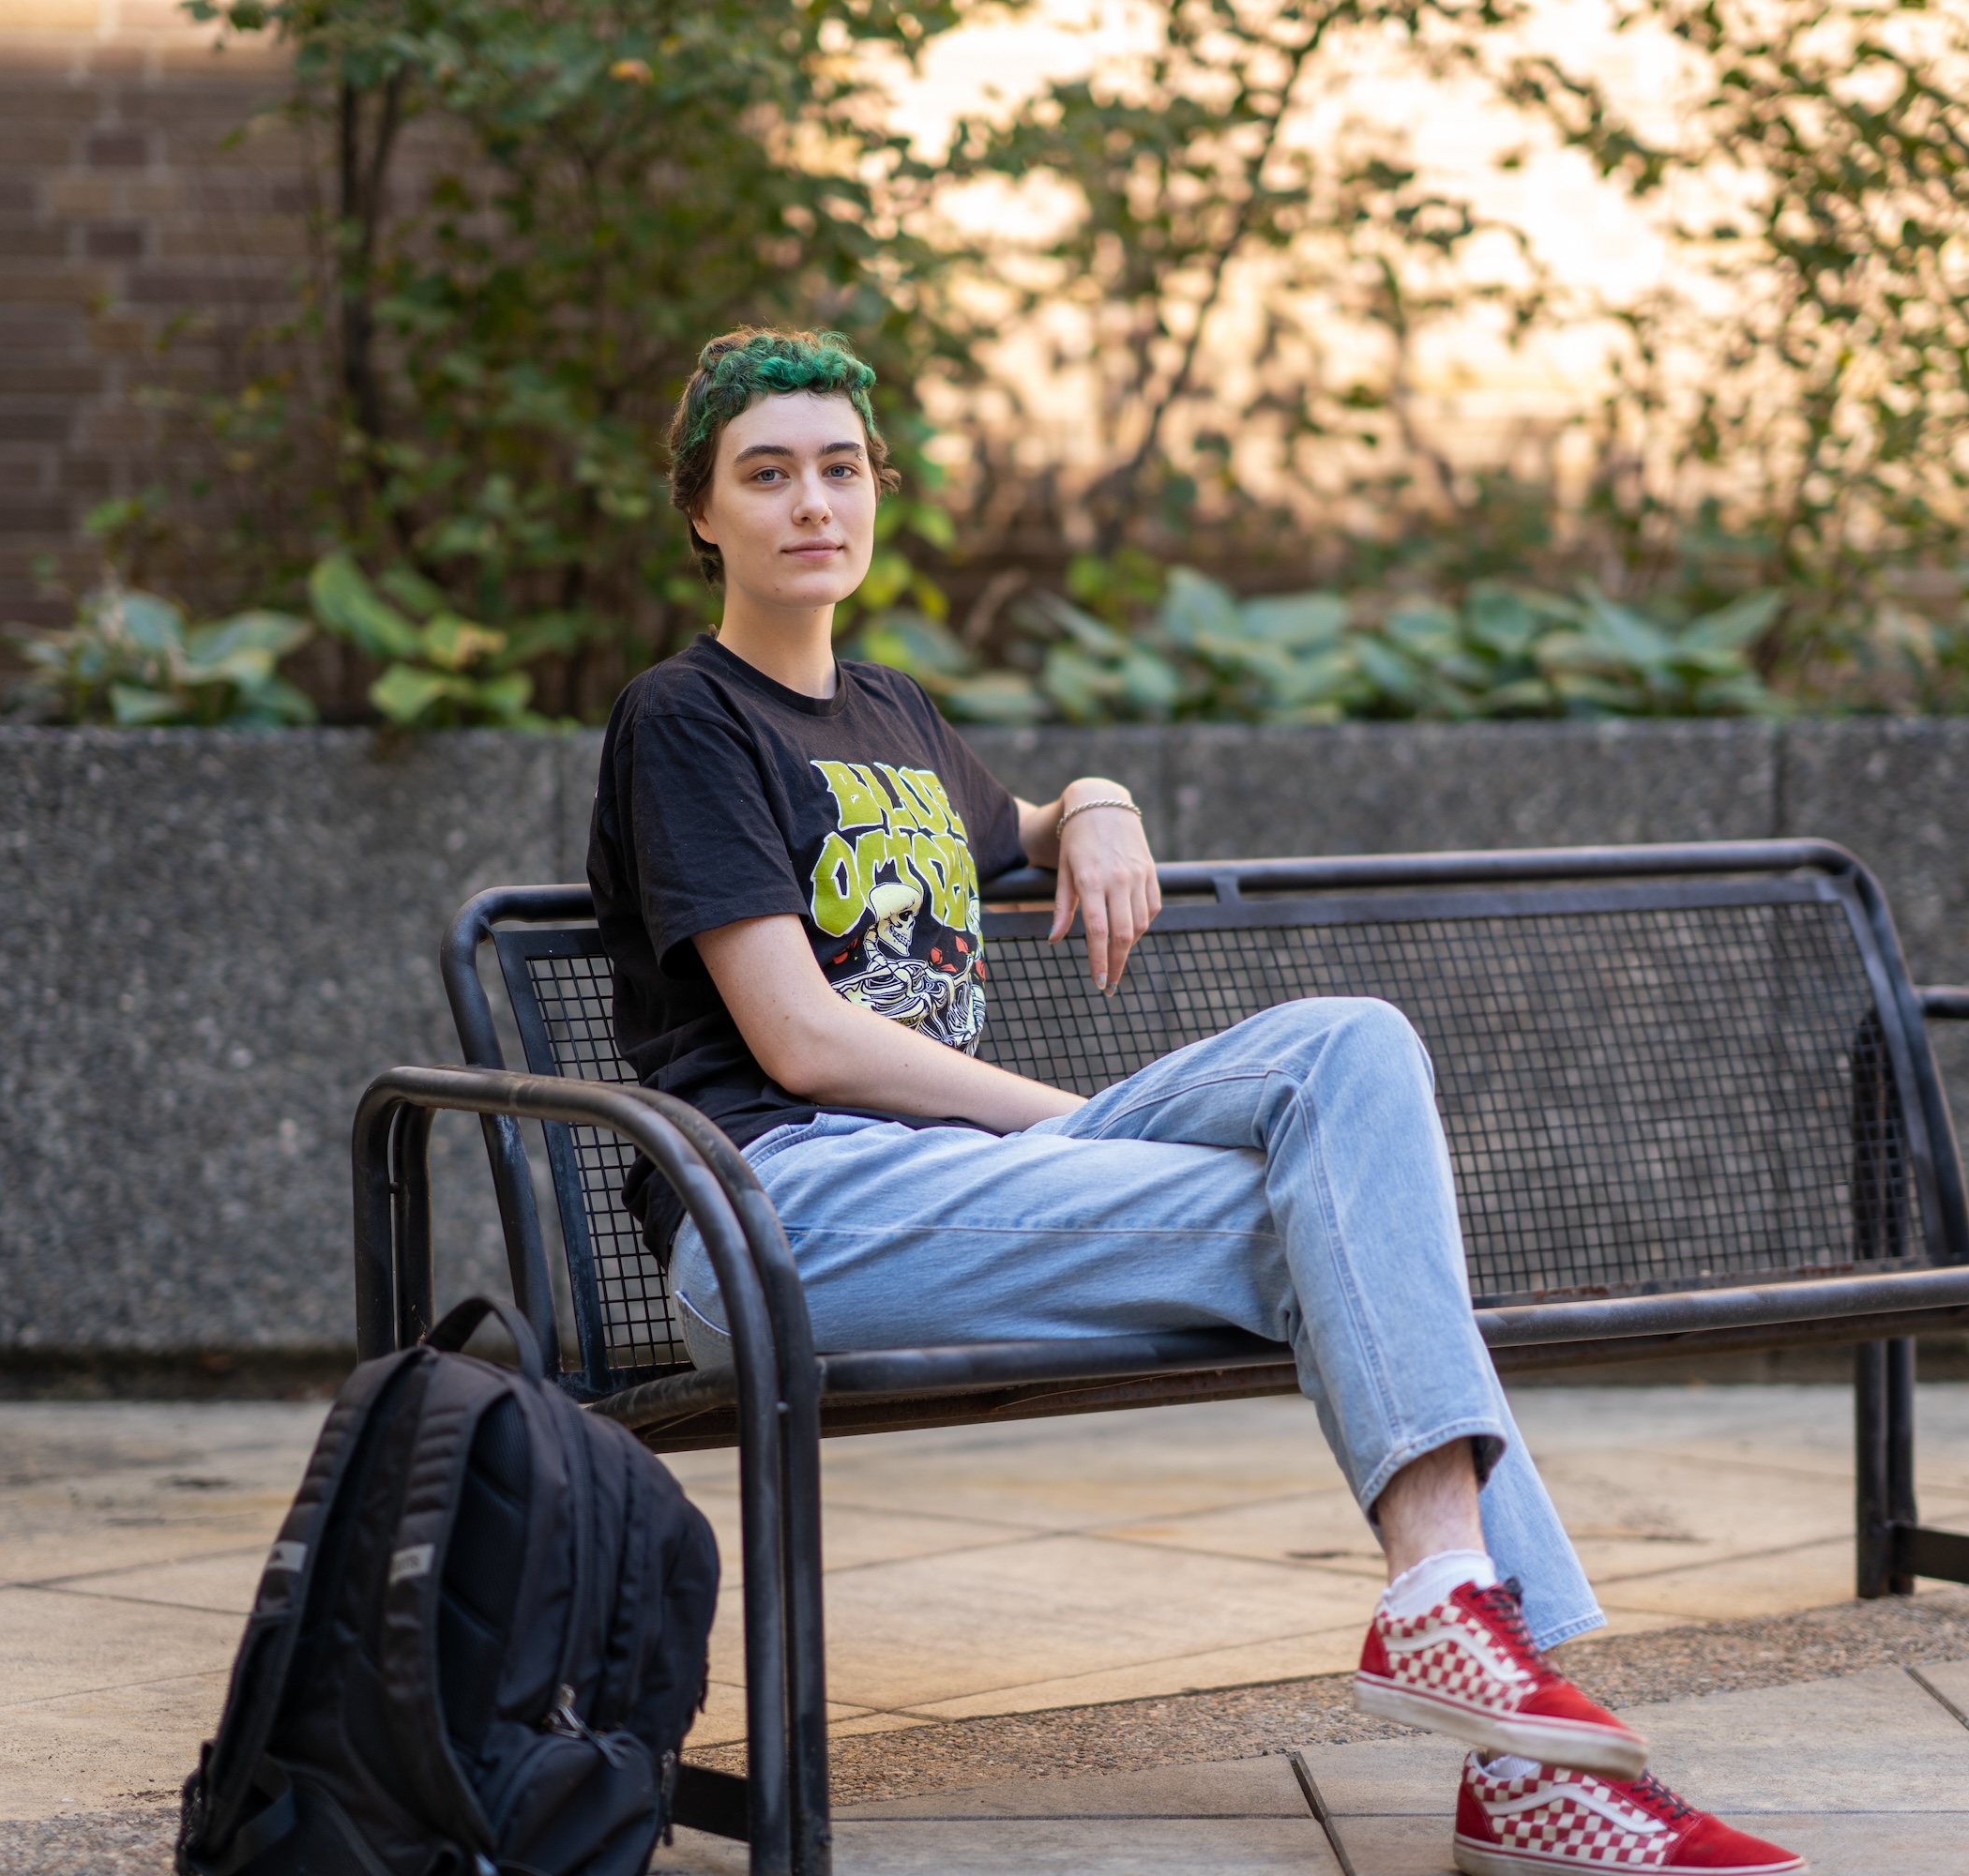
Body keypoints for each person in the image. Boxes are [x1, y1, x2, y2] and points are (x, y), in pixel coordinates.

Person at [585, 328, 1806, 1876]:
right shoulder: (685, 719)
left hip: (967, 1200)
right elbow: (804, 1039)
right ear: (703, 511)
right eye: (766, 475)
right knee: (1339, 1222)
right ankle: (1524, 1771)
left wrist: (1098, 802)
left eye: (840, 469)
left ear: (877, 493)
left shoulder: (894, 715)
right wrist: (1075, 1124)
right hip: (784, 1211)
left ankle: (1449, 1613)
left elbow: (1020, 819)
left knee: (1350, 1051)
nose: (810, 503)